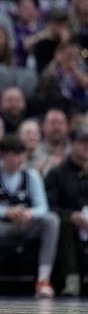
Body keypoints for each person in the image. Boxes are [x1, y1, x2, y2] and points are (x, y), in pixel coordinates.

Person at [0, 137, 60, 299]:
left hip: (26, 226)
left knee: (51, 219)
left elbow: (43, 207)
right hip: (0, 227)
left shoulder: (31, 175)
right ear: (3, 156)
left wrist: (29, 214)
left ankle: (43, 280)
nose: (19, 159)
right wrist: (7, 212)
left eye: (21, 155)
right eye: (14, 155)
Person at [44, 126, 88, 296]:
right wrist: (70, 215)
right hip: (69, 221)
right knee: (63, 223)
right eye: (82, 142)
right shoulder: (57, 173)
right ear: (72, 144)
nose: (86, 147)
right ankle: (72, 279)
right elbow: (49, 205)